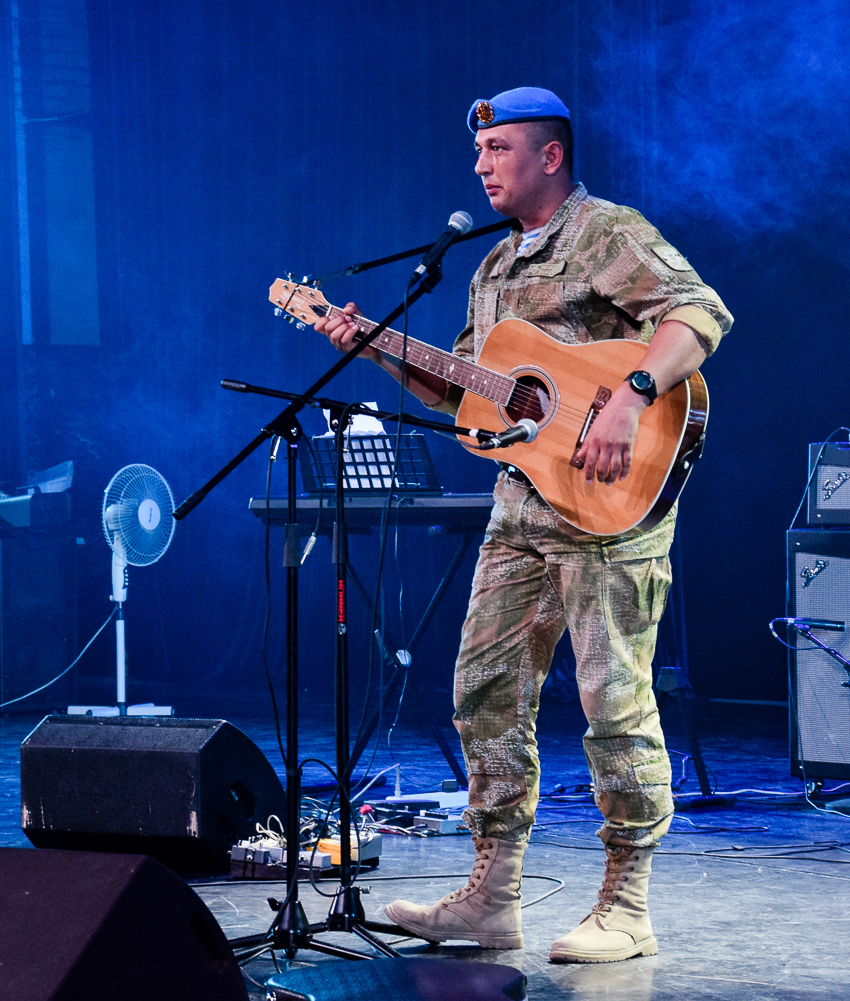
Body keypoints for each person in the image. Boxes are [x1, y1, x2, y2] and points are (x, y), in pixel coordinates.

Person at [314, 86, 732, 963]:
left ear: (550, 155)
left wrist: (632, 395)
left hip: (610, 508)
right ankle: (491, 898)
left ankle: (627, 903)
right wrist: (374, 347)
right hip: (522, 508)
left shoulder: (604, 232)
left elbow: (700, 313)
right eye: (479, 150)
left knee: (613, 700)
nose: (481, 164)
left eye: (498, 148)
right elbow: (471, 393)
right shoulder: (493, 267)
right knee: (484, 691)